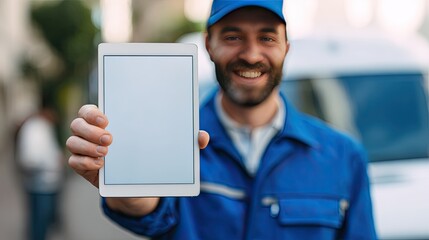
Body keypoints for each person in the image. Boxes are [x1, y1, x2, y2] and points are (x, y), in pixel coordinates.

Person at [66, 0, 377, 239]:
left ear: (286, 48)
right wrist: (124, 186)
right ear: (208, 45)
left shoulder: (343, 156)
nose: (252, 55)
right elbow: (149, 212)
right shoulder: (171, 141)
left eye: (267, 38)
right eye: (233, 37)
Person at [15, 93, 65, 240]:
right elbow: (30, 158)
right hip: (42, 183)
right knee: (40, 221)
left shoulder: (40, 126)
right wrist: (52, 163)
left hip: (45, 182)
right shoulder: (36, 128)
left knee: (39, 220)